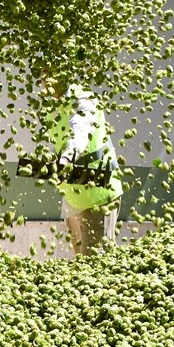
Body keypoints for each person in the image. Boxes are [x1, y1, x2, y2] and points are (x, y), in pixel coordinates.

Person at [50, 83, 123, 255]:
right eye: (42, 75)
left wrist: (66, 159)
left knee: (95, 261)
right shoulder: (52, 106)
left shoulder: (82, 100)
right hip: (74, 192)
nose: (44, 82)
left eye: (49, 74)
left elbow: (80, 134)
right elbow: (58, 138)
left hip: (98, 194)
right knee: (80, 257)